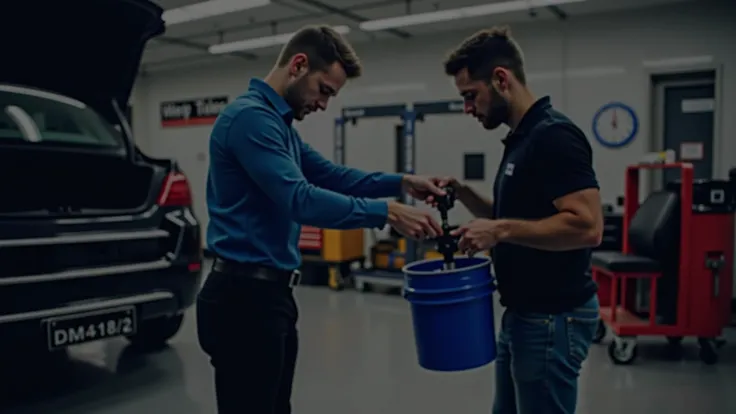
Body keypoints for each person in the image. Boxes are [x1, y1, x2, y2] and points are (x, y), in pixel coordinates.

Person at [196, 24, 445, 414]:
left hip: (268, 295)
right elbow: (301, 200)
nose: (324, 104)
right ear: (298, 65)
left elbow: (332, 176)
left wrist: (402, 183)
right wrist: (386, 212)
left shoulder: (279, 126)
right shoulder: (250, 119)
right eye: (324, 90)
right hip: (243, 299)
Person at [432, 26, 605, 414]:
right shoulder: (522, 139)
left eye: (470, 96)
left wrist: (500, 230)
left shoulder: (553, 135)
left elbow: (588, 226)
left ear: (501, 79)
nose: (467, 108)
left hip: (552, 318)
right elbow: (513, 217)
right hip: (524, 315)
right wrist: (462, 192)